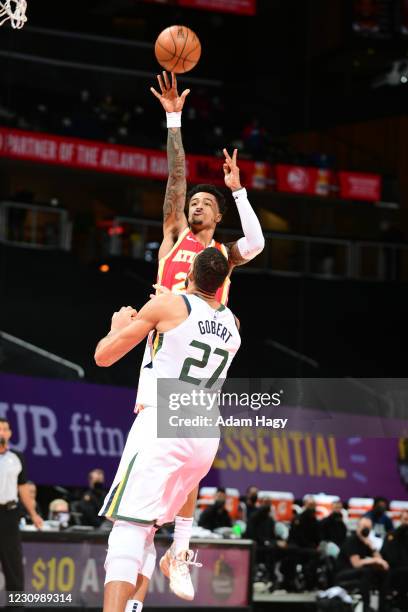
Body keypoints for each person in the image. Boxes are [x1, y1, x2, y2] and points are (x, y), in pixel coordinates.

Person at [147, 71, 264, 598]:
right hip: (159, 354)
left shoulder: (222, 257)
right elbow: (176, 177)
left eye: (204, 203)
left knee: (192, 464)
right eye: (191, 202)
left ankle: (180, 550)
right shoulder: (174, 237)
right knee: (159, 467)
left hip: (201, 360)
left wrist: (238, 191)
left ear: (217, 217)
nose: (195, 205)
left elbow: (256, 243)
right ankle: (146, 563)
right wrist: (174, 118)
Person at [94, 248, 241, 612]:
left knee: (128, 528)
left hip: (166, 420)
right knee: (147, 526)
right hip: (206, 431)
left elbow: (104, 356)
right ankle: (174, 556)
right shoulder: (234, 323)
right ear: (222, 284)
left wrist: (118, 328)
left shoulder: (168, 306)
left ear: (188, 272)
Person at [0, 418, 43, 597]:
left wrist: (33, 514)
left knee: (14, 567)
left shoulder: (16, 457)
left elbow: (23, 488)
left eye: (5, 429)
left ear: (10, 433)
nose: (2, 432)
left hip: (9, 514)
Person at [335, 517, 390, 612]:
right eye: (364, 527)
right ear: (358, 527)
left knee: (382, 572)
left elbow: (380, 560)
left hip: (358, 573)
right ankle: (366, 607)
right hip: (343, 573)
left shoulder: (366, 542)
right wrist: (374, 561)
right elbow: (356, 564)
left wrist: (372, 547)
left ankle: (383, 607)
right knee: (367, 572)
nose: (366, 530)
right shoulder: (352, 540)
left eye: (368, 527)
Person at [381, 509, 408, 610]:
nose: (407, 522)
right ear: (400, 520)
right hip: (394, 570)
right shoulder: (392, 535)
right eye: (405, 519)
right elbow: (387, 556)